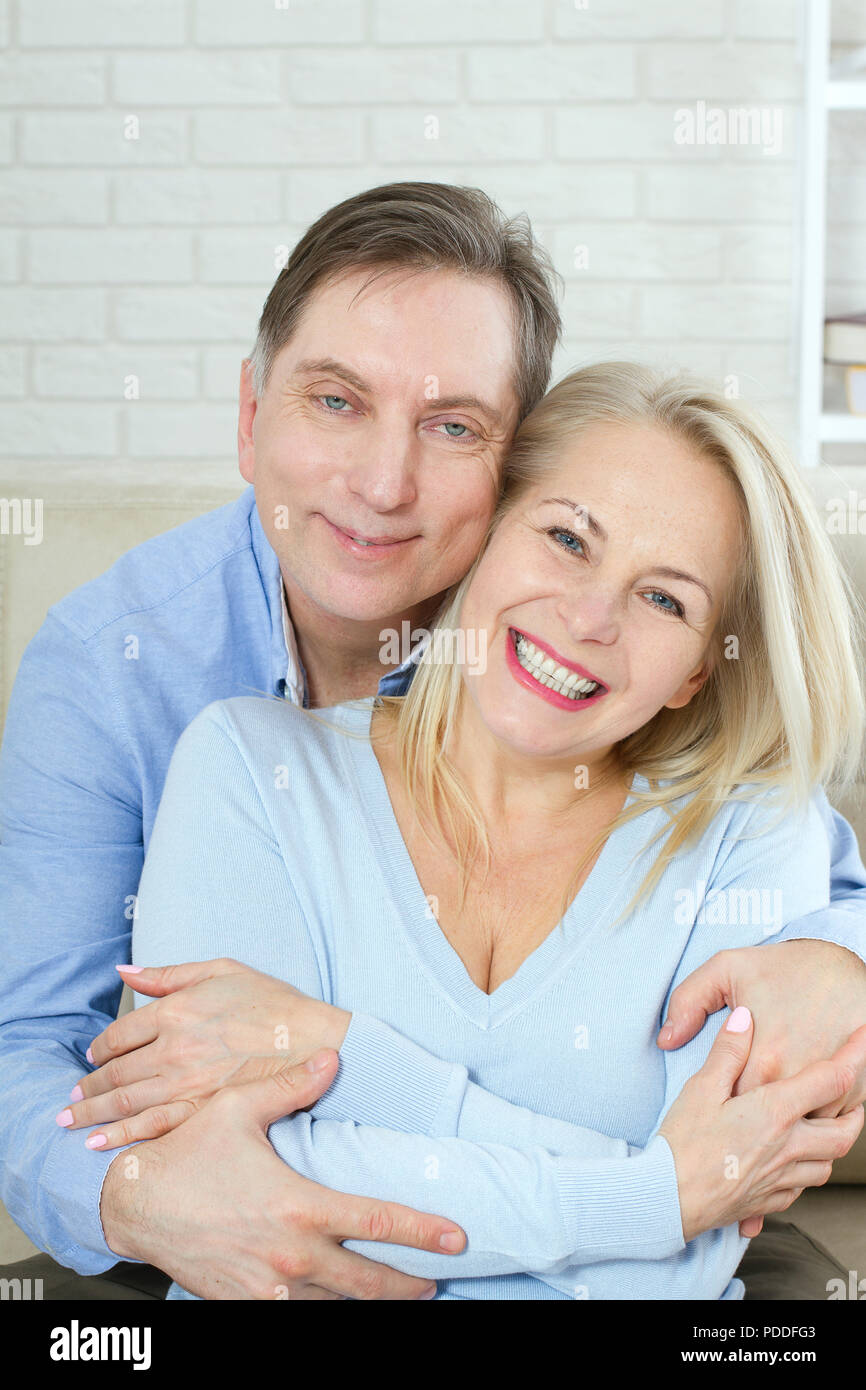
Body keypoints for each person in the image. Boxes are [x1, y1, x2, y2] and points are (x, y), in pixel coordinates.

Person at [1, 185, 865, 1301]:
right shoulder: (130, 679)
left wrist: (843, 961)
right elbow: (35, 1043)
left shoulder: (561, 652)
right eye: (334, 401)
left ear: (502, 471)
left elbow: (796, 877)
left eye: (452, 424)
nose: (383, 483)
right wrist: (140, 1199)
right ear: (249, 415)